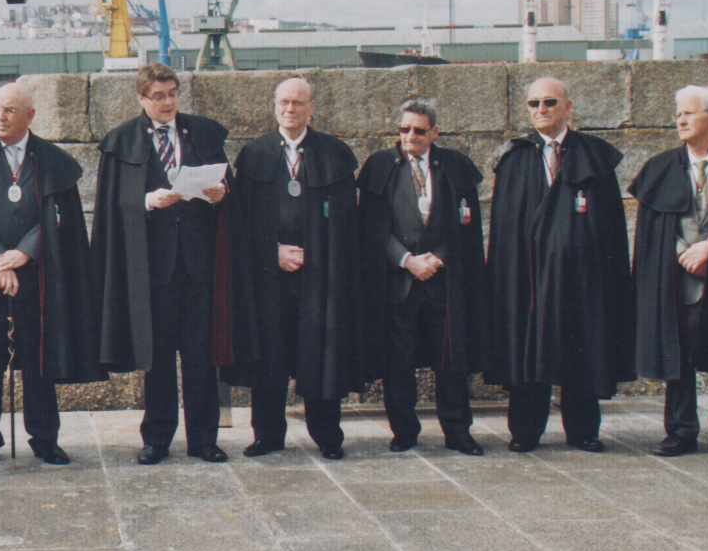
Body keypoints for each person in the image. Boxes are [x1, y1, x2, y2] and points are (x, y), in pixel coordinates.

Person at [0, 81, 101, 467]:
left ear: (30, 115)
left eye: (9, 110)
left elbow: (60, 219)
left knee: (38, 358)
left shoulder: (53, 161)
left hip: (40, 276)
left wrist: (23, 253)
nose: (0, 117)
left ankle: (44, 438)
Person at [91, 62, 231, 464]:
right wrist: (146, 201)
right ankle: (156, 439)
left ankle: (204, 439)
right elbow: (111, 203)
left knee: (201, 357)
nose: (167, 102)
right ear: (141, 98)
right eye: (158, 96)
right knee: (158, 358)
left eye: (172, 94)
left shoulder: (203, 132)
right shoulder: (121, 141)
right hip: (151, 269)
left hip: (199, 266)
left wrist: (221, 192)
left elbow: (227, 184)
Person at [486, 77, 634, 452]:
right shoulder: (514, 158)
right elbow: (505, 229)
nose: (541, 109)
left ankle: (583, 431)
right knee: (529, 346)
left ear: (568, 107)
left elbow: (610, 226)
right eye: (534, 103)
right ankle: (525, 431)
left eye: (550, 102)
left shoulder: (594, 155)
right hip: (529, 277)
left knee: (582, 344)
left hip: (582, 278)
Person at [228, 77, 361, 460]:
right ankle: (268, 435)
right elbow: (242, 222)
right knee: (269, 356)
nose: (291, 109)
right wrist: (273, 252)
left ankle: (327, 436)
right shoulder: (253, 154)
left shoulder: (335, 153)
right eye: (284, 102)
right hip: (269, 278)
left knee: (322, 352)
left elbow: (346, 223)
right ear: (274, 107)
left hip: (321, 276)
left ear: (311, 108)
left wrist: (313, 254)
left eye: (298, 103)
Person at [358, 100, 487, 455]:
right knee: (397, 363)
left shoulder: (454, 166)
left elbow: (467, 224)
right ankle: (404, 431)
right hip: (399, 284)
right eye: (404, 129)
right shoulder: (381, 166)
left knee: (451, 363)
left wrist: (439, 258)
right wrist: (406, 260)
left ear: (434, 132)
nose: (410, 136)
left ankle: (458, 432)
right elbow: (372, 227)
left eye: (418, 130)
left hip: (443, 283)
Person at [630, 85, 708, 458]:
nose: (681, 120)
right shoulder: (661, 167)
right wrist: (684, 252)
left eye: (689, 113)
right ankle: (680, 431)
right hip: (679, 280)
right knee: (678, 356)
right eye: (678, 114)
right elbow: (652, 228)